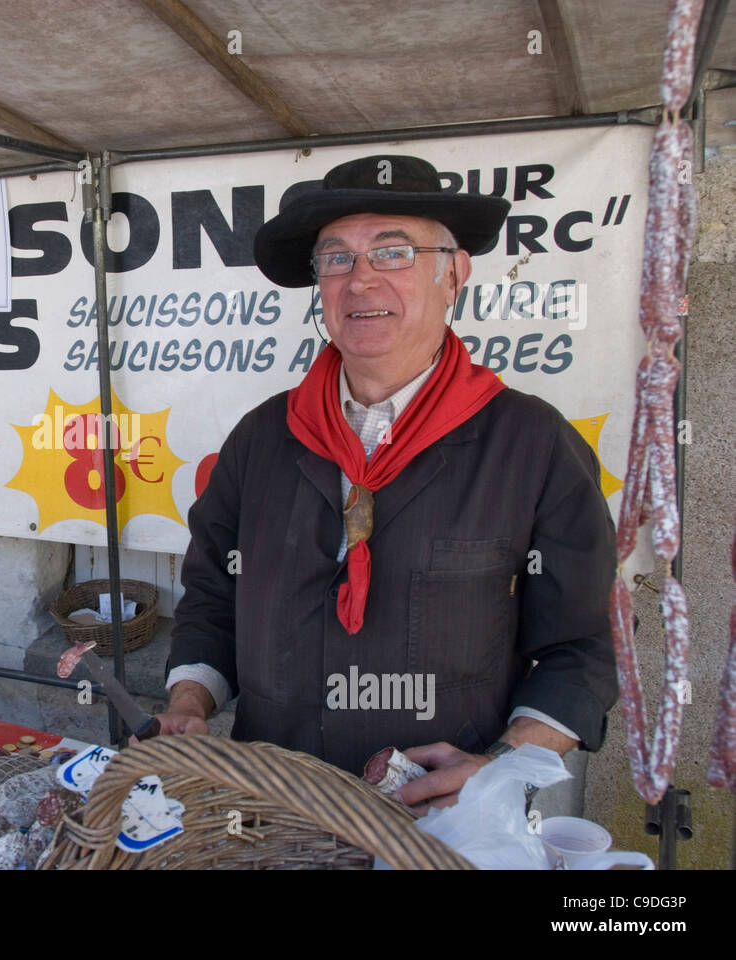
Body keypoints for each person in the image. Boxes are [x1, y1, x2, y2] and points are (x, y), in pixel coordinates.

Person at [158, 154, 618, 813]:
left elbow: (583, 646)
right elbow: (211, 596)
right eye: (337, 258)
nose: (361, 280)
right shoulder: (262, 438)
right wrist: (189, 701)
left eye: (392, 252)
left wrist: (501, 767)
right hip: (271, 805)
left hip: (443, 823)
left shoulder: (534, 444)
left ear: (453, 274)